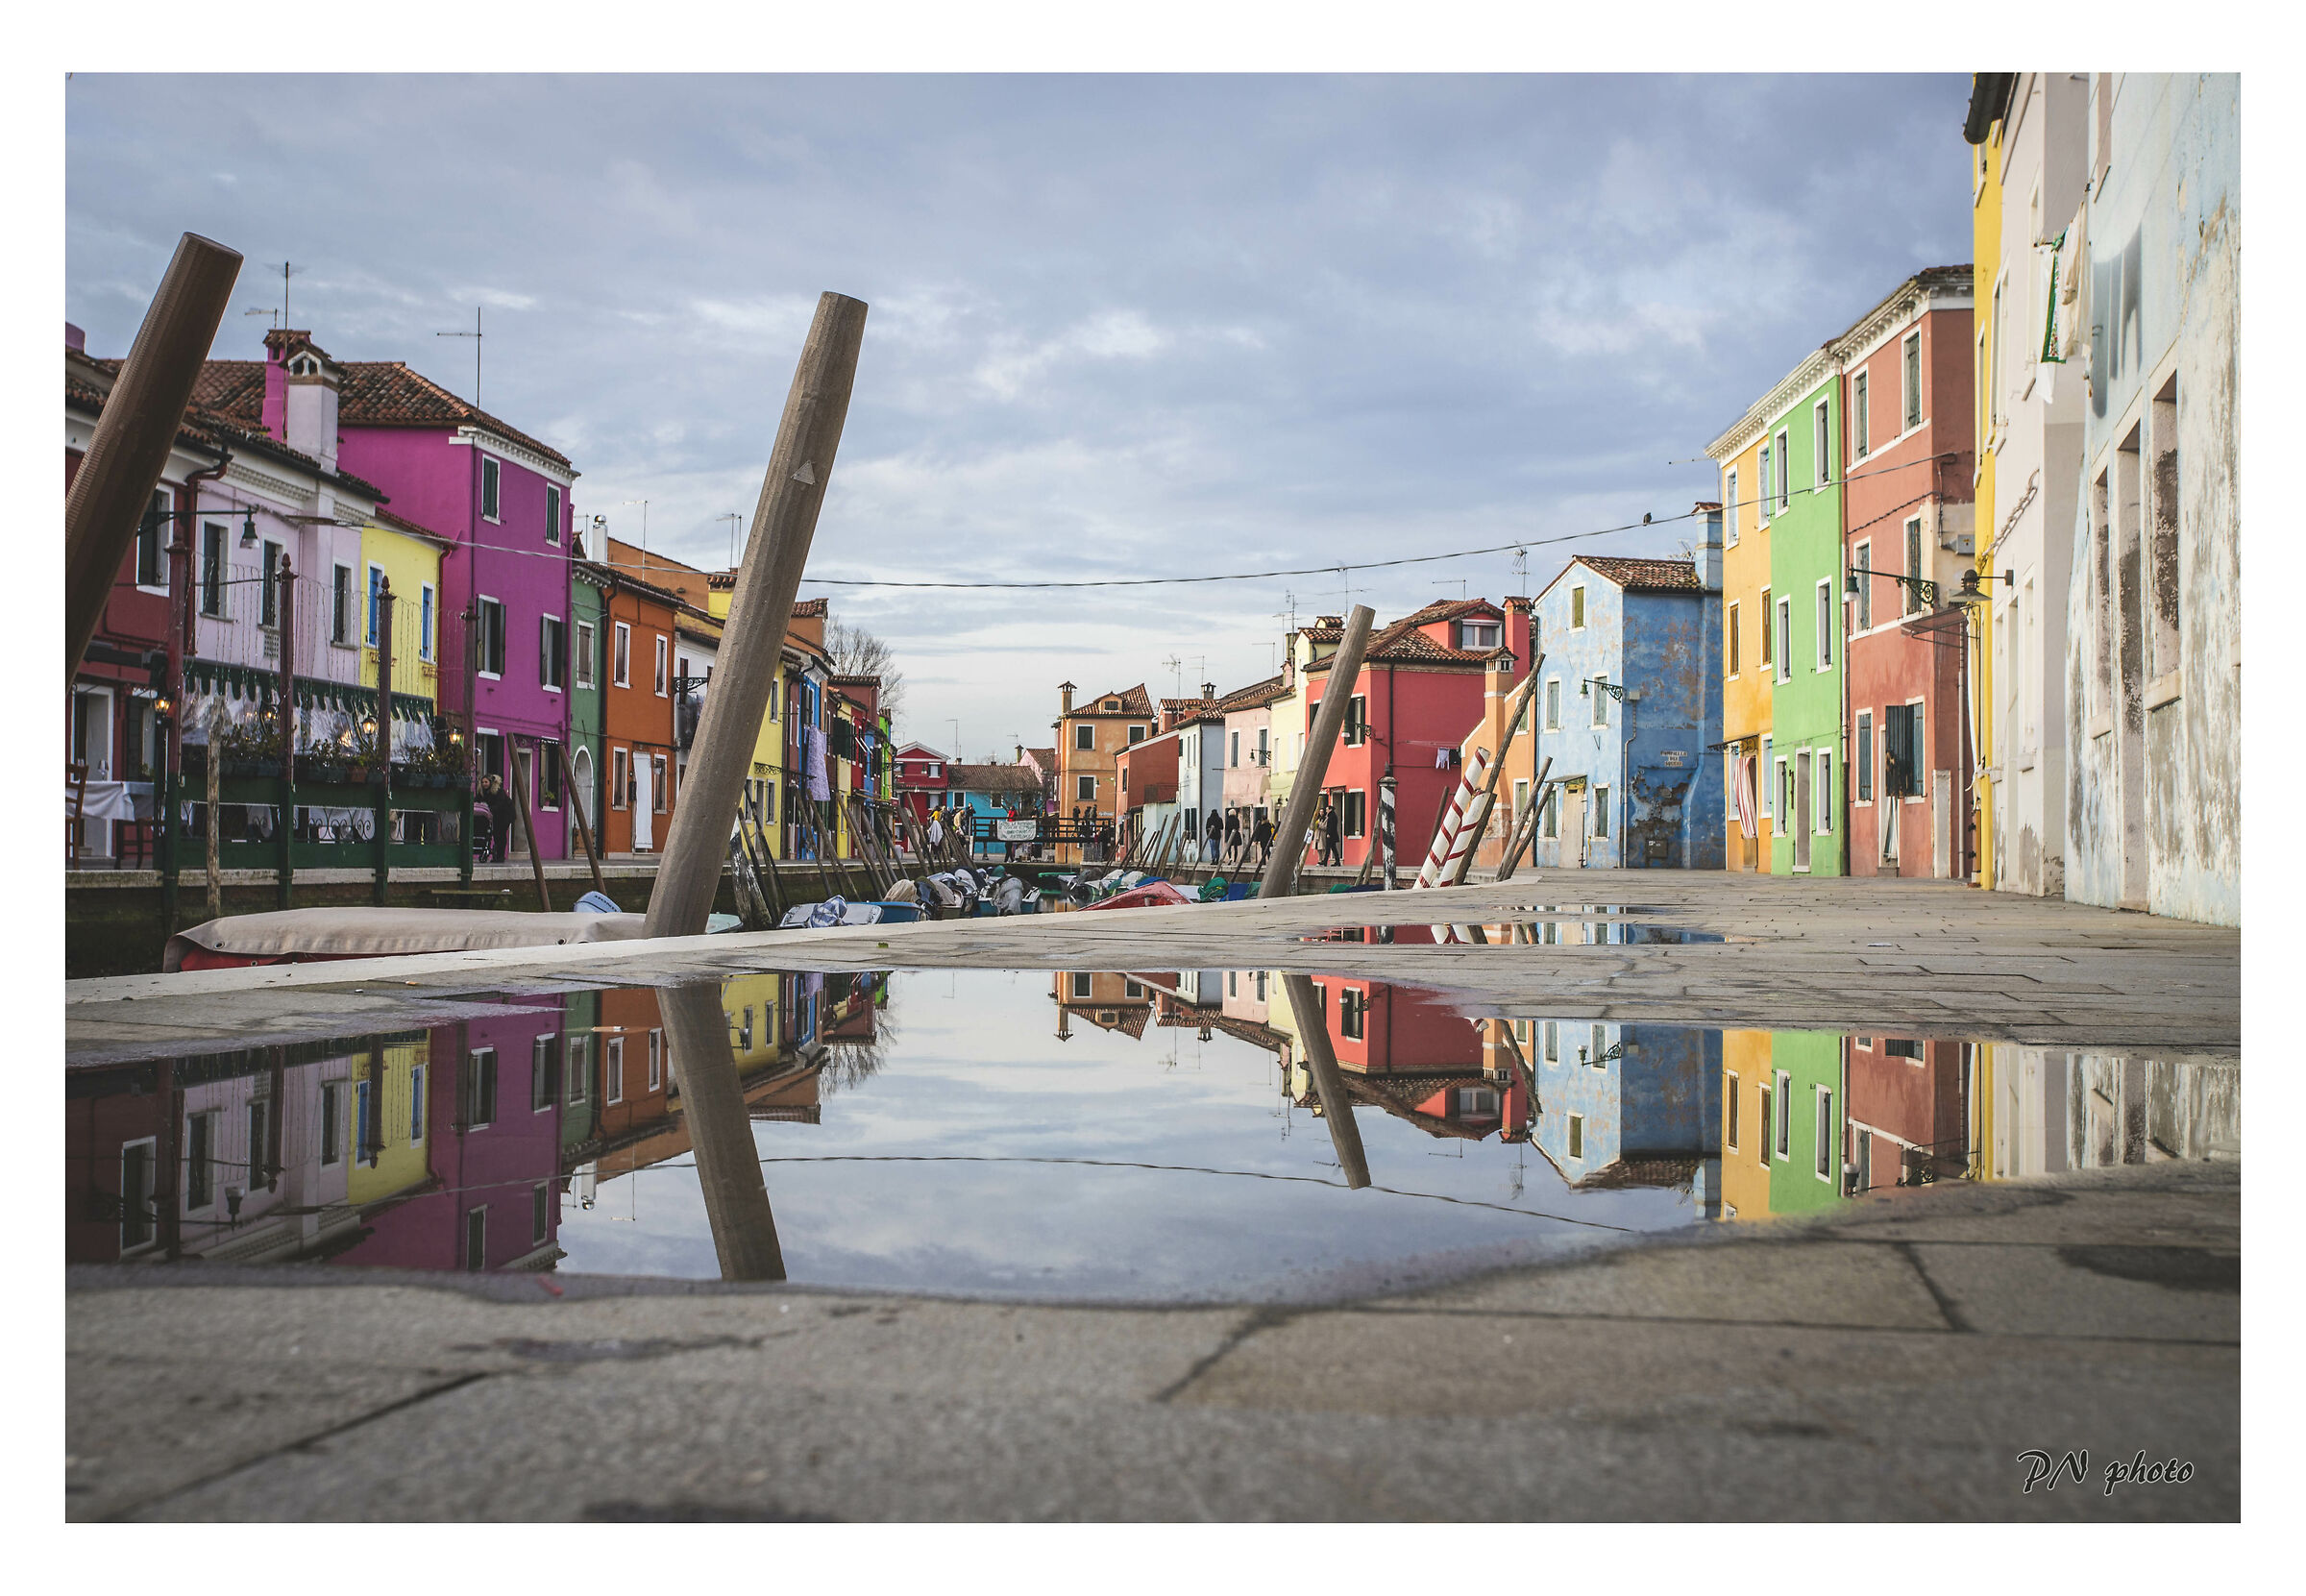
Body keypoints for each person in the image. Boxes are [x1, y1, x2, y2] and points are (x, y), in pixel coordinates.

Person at [479, 773, 515, 863]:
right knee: (496, 834)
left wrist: (490, 809)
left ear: (490, 783)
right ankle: (497, 855)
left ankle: (500, 856)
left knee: (501, 834)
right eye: (483, 782)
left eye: (486, 782)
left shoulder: (499, 792)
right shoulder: (483, 792)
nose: (484, 784)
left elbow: (500, 804)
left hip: (506, 814)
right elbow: (477, 799)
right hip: (496, 815)